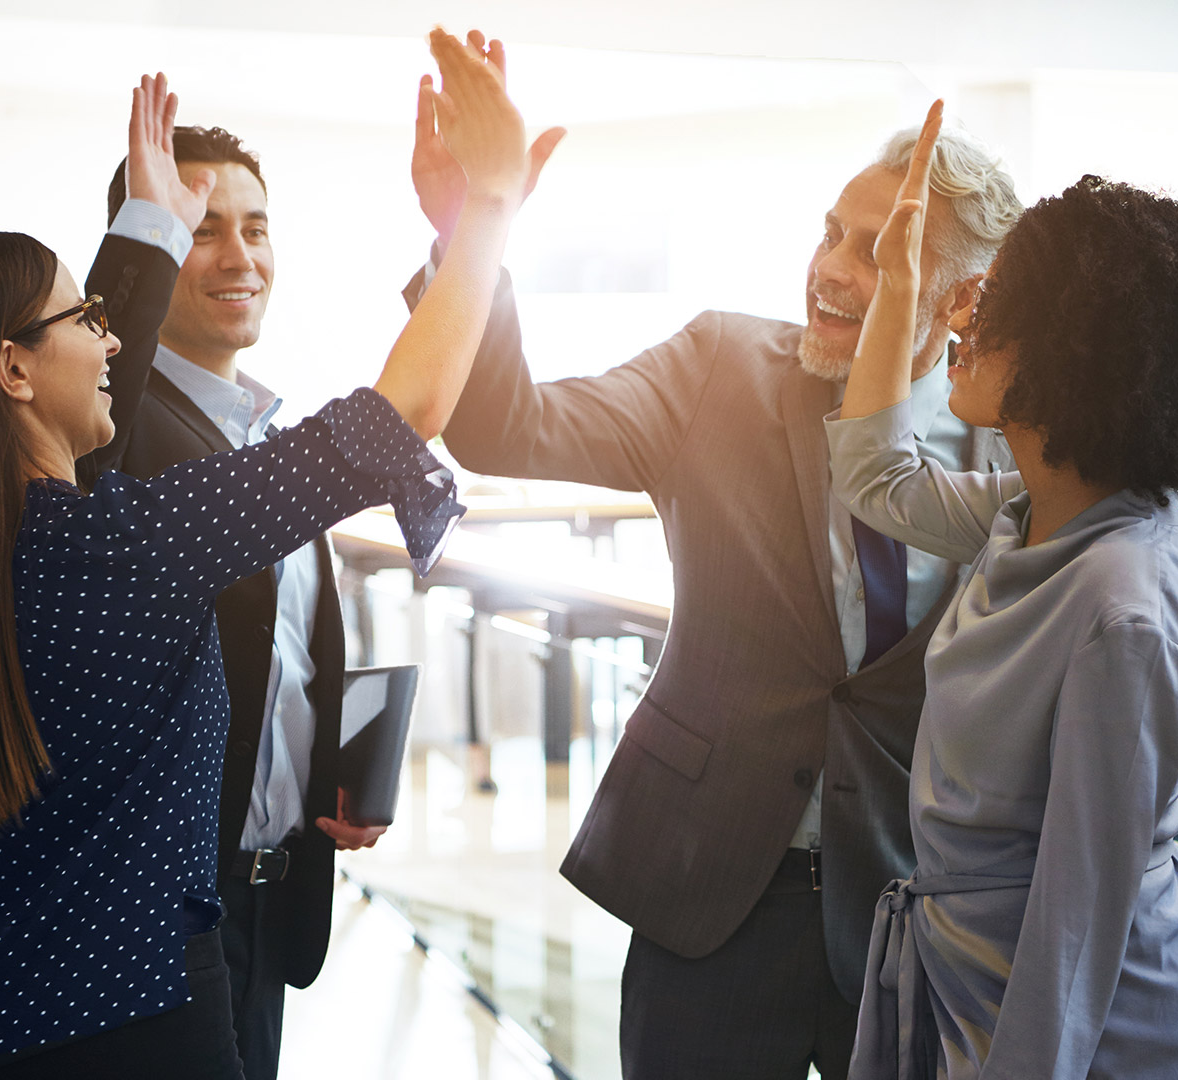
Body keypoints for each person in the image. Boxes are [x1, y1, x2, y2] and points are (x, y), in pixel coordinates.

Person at [0, 36, 533, 1076]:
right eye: (85, 318)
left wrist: (152, 225)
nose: (112, 340)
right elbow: (405, 412)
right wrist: (491, 208)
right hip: (135, 1027)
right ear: (13, 369)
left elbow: (97, 373)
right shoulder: (125, 548)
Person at [410, 58, 1022, 1077]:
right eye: (829, 232)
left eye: (875, 253)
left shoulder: (1013, 452)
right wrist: (471, 233)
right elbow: (502, 424)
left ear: (960, 298)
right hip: (712, 894)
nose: (829, 267)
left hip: (915, 917)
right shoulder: (718, 365)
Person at [829, 104, 1178, 1078]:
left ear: (1074, 352)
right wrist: (900, 288)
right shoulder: (1039, 510)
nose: (966, 316)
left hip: (1087, 1029)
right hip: (981, 984)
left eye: (999, 302)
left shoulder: (1121, 606)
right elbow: (877, 479)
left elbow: (1075, 930)